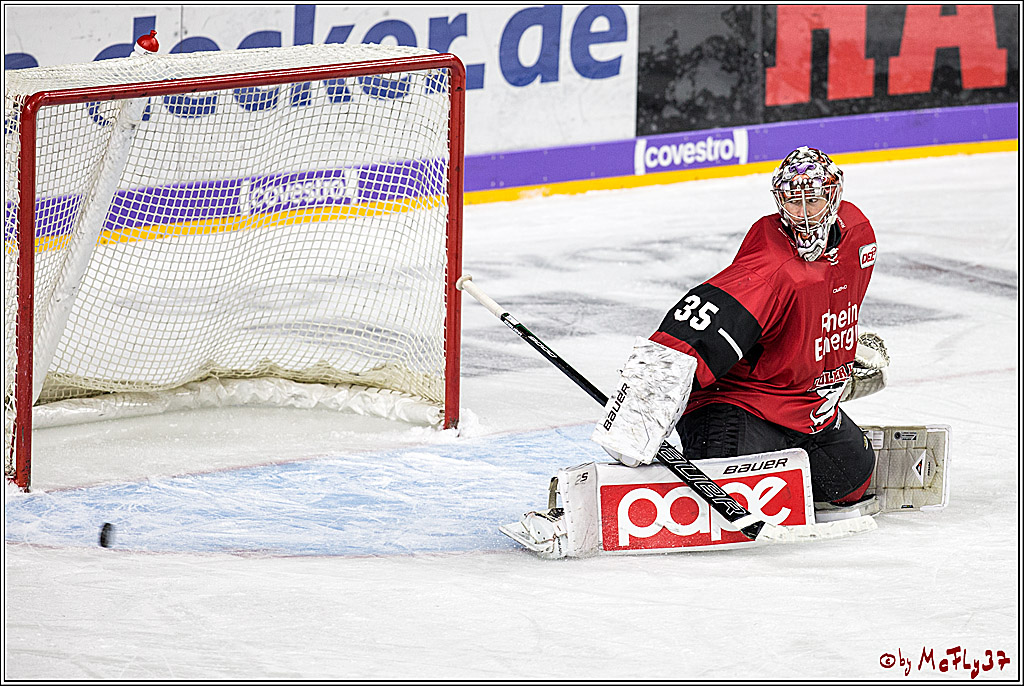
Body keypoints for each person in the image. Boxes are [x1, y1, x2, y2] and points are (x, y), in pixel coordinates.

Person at [595, 146, 888, 507]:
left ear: (834, 194)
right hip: (736, 403)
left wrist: (836, 356)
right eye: (792, 202)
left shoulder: (858, 235)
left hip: (802, 406)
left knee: (851, 480)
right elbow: (688, 334)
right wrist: (633, 425)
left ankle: (779, 471)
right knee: (727, 497)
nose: (803, 214)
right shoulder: (768, 269)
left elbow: (815, 307)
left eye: (812, 200)